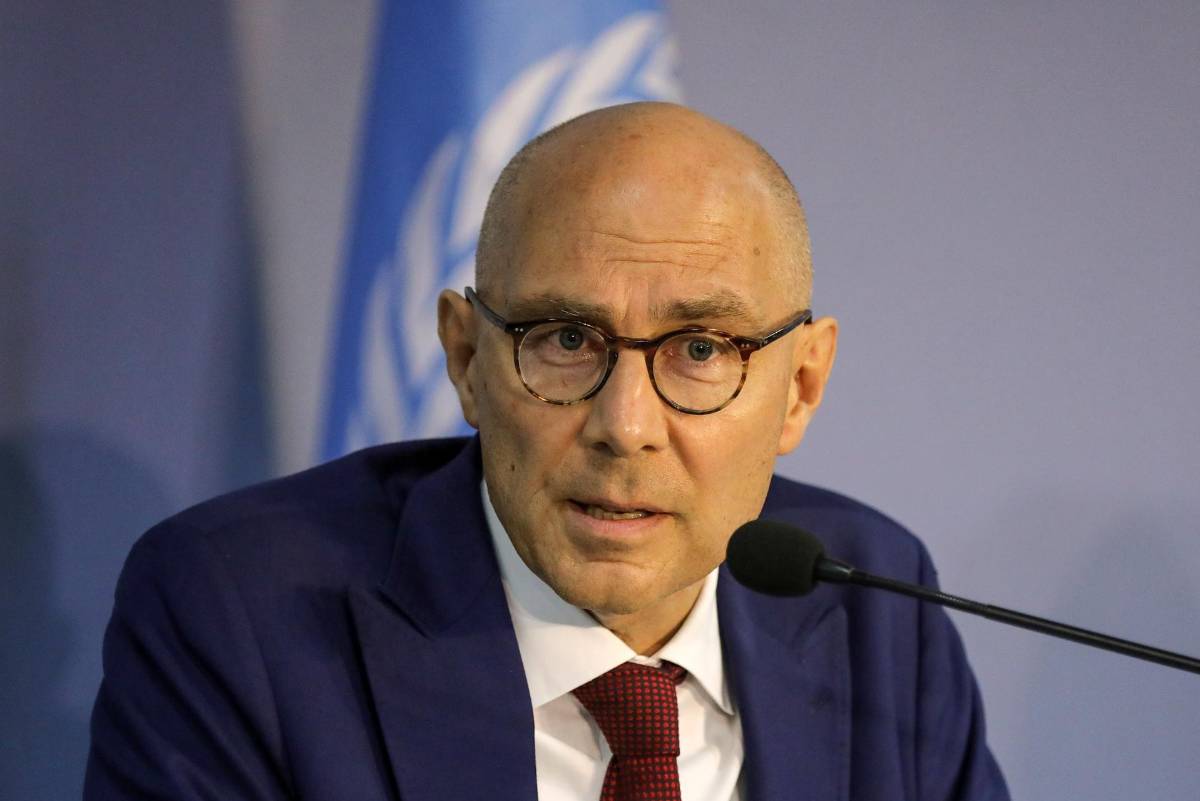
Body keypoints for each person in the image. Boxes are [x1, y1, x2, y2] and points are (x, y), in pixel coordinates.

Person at [85, 103, 1009, 800]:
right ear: (466, 359)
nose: (625, 424)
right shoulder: (237, 614)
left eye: (700, 349)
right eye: (566, 339)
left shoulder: (873, 603)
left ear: (800, 386)